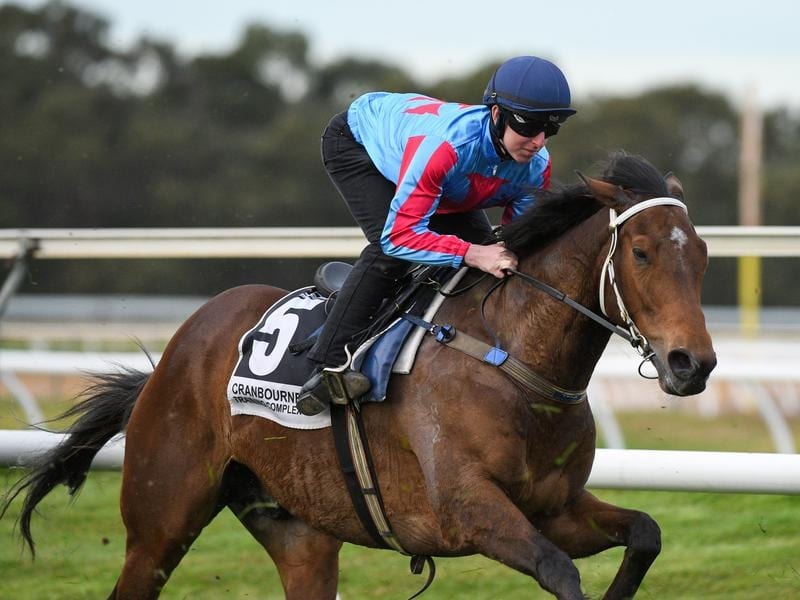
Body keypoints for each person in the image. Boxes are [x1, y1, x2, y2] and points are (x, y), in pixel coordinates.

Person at [297, 55, 577, 416]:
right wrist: (471, 252)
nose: (539, 141)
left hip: (440, 172)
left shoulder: (536, 166)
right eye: (530, 126)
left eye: (550, 130)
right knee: (394, 254)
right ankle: (327, 365)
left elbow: (516, 246)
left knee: (494, 260)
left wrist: (487, 253)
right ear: (496, 114)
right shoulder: (447, 148)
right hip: (358, 145)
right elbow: (399, 236)